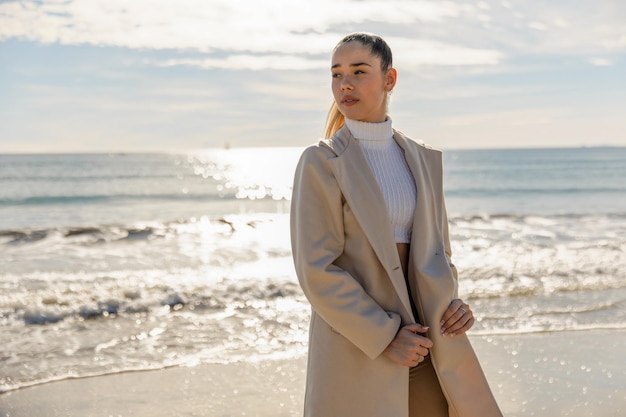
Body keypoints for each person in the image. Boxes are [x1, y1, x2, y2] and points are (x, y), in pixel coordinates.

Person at [290, 33, 503, 417]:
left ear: (390, 80)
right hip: (361, 345)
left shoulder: (422, 159)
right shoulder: (321, 162)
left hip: (429, 340)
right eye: (336, 75)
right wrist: (386, 335)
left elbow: (440, 252)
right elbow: (316, 271)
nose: (345, 84)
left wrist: (455, 303)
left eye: (359, 71)